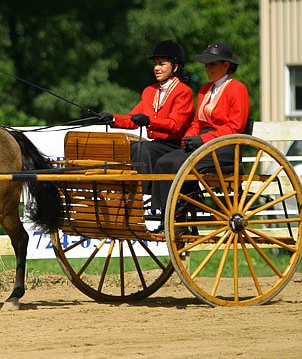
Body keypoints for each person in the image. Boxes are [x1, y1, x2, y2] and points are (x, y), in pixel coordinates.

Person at [152, 42, 250, 229]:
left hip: (225, 145)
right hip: (203, 143)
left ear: (226, 65)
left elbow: (236, 127)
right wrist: (188, 138)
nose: (208, 68)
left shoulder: (237, 89)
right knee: (164, 161)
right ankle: (167, 213)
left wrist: (203, 139)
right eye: (206, 64)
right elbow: (197, 122)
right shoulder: (205, 90)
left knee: (178, 164)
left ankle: (178, 216)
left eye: (212, 64)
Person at [100, 39, 194, 214]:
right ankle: (129, 193)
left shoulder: (184, 92)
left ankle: (147, 199)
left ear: (175, 67)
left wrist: (150, 122)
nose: (156, 68)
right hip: (155, 145)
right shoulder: (149, 91)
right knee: (130, 147)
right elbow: (133, 118)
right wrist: (113, 119)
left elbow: (176, 125)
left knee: (144, 149)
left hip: (174, 145)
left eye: (162, 64)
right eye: (155, 64)